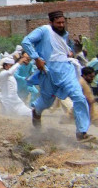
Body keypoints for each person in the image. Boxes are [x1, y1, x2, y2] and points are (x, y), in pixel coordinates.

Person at [22, 10, 93, 142]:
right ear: (51, 22)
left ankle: (81, 132)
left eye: (62, 22)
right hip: (48, 71)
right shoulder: (44, 30)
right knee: (47, 102)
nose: (61, 25)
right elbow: (26, 41)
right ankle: (36, 112)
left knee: (78, 97)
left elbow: (62, 49)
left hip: (66, 70)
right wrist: (36, 58)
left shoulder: (64, 34)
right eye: (58, 23)